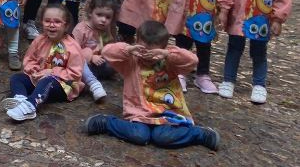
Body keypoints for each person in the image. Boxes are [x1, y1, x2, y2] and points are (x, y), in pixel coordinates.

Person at [82, 20, 220, 151]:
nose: (147, 57)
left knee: (162, 137)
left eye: (152, 52)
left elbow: (192, 60)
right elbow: (107, 51)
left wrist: (167, 54)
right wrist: (129, 49)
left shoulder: (170, 61)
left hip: (168, 113)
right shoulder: (131, 61)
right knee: (140, 136)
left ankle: (200, 134)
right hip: (140, 114)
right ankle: (106, 123)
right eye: (143, 50)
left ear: (163, 48)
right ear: (137, 43)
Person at [3, 3, 84, 122]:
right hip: (38, 79)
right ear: (42, 22)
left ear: (66, 26)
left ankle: (30, 106)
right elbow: (30, 59)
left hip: (63, 85)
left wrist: (52, 72)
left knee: (48, 81)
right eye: (47, 21)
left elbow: (75, 73)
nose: (51, 25)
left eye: (57, 22)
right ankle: (21, 99)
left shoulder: (72, 47)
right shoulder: (40, 40)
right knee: (17, 78)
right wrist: (33, 69)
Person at [73, 0, 119, 102]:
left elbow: (109, 46)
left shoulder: (106, 29)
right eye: (99, 15)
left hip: (99, 63)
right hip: (83, 62)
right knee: (86, 52)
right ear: (90, 13)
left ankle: (90, 76)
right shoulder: (81, 29)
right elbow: (74, 51)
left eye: (108, 17)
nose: (103, 20)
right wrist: (92, 57)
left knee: (115, 63)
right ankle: (89, 80)